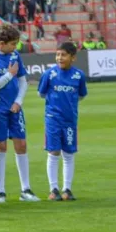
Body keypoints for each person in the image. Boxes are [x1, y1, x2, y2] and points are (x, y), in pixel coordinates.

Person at [0, 23, 40, 204]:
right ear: (2, 43)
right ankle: (0, 192)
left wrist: (18, 102)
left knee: (21, 145)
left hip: (14, 108)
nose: (16, 47)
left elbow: (23, 82)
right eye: (13, 43)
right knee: (1, 147)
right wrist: (8, 76)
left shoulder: (15, 55)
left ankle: (25, 189)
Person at [39, 42, 88, 202]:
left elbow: (81, 95)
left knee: (69, 153)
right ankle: (53, 189)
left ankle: (67, 189)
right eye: (58, 54)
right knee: (53, 152)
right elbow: (42, 93)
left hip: (70, 121)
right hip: (53, 120)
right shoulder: (49, 74)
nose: (60, 58)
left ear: (73, 57)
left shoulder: (78, 75)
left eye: (63, 55)